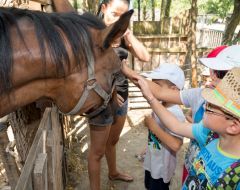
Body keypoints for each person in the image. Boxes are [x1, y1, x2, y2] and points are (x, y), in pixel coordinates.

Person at [51, 0, 150, 189]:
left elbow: (145, 57)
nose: (117, 20)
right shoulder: (90, 32)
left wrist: (128, 34)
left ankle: (113, 172)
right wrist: (111, 93)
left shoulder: (122, 33)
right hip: (100, 102)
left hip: (121, 98)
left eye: (123, 15)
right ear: (104, 8)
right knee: (96, 153)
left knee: (112, 141)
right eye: (114, 13)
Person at [122, 45, 240, 183]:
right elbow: (175, 123)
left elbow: (176, 138)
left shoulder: (233, 171)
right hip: (192, 167)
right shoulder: (204, 129)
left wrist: (153, 124)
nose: (211, 75)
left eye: (220, 73)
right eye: (213, 70)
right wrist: (129, 73)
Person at [142, 63, 186, 190]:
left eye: (157, 86)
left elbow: (175, 145)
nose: (151, 89)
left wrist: (153, 127)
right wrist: (147, 147)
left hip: (162, 168)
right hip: (152, 160)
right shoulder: (159, 105)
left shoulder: (176, 113)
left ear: (173, 90)